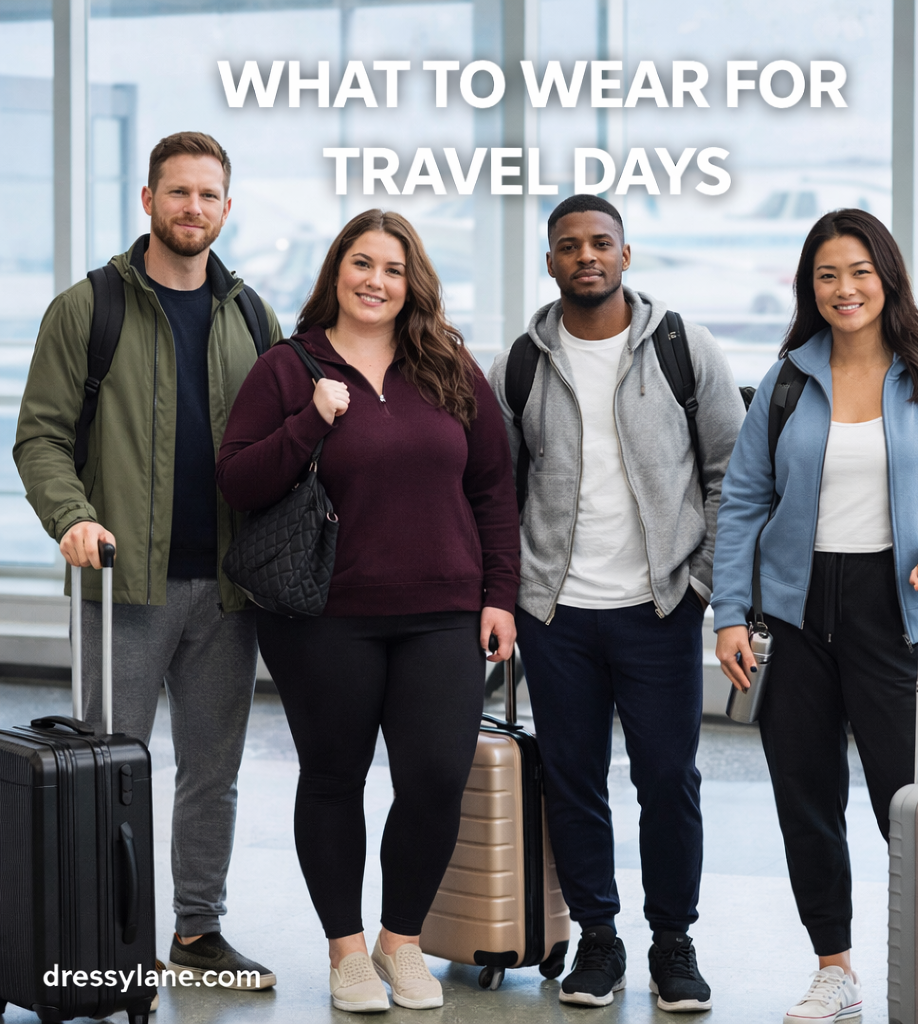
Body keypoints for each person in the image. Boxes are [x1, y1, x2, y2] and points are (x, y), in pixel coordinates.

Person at [216, 208, 520, 1013]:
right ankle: (347, 952)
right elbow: (238, 482)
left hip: (443, 612)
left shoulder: (448, 365)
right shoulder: (289, 368)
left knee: (436, 779)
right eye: (361, 263)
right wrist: (310, 419)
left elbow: (494, 489)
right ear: (336, 272)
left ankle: (401, 941)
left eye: (392, 268)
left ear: (411, 283)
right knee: (333, 778)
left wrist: (500, 595)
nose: (375, 281)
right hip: (324, 617)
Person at [712, 209, 918, 1024]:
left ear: (888, 278)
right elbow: (743, 503)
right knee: (806, 799)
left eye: (860, 272)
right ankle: (834, 968)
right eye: (827, 275)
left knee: (911, 805)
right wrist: (730, 612)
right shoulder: (788, 380)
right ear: (810, 287)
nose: (845, 289)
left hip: (900, 610)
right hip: (796, 614)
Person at [14, 132, 282, 989]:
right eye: (177, 192)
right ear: (148, 200)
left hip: (228, 591)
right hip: (120, 586)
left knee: (213, 774)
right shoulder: (87, 308)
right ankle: (106, 941)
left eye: (208, 195)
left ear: (226, 208)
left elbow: (281, 445)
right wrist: (72, 516)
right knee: (109, 772)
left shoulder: (251, 315)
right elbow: (40, 437)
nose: (192, 208)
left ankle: (198, 933)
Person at [487, 194, 745, 1012]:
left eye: (601, 242)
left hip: (659, 608)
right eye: (569, 246)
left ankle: (673, 941)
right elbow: (496, 490)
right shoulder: (521, 363)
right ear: (551, 262)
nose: (586, 256)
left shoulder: (681, 347)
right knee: (573, 781)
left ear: (626, 255)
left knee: (668, 780)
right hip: (556, 614)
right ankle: (598, 938)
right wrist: (511, 595)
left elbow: (733, 475)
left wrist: (699, 583)